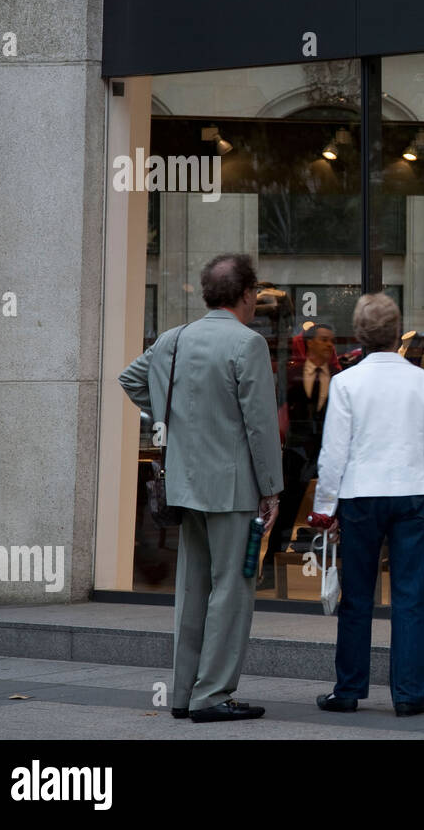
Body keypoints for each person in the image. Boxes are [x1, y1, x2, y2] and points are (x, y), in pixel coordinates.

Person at [119, 253, 284, 722]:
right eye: (256, 294)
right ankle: (212, 695)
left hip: (185, 484)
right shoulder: (247, 344)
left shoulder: (174, 339)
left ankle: (182, 692)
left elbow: (130, 378)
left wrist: (174, 419)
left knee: (191, 590)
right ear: (248, 294)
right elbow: (260, 425)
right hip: (232, 487)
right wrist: (272, 489)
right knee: (231, 589)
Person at [311, 293, 424, 717]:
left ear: (360, 333)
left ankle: (348, 689)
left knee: (357, 596)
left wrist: (323, 507)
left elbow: (334, 453)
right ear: (396, 331)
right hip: (413, 491)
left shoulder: (346, 382)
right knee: (410, 598)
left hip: (361, 493)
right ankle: (408, 694)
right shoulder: (423, 381)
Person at [259, 321, 339, 589]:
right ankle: (269, 573)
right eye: (324, 339)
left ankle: (340, 575)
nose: (329, 345)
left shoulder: (338, 376)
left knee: (337, 514)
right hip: (297, 453)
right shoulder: (291, 372)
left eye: (331, 340)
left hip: (327, 453)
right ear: (311, 343)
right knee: (286, 512)